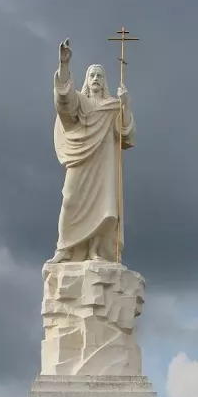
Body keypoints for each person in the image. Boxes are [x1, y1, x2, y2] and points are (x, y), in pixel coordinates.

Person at [50, 38, 135, 264]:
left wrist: (125, 105)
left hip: (104, 161)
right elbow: (64, 104)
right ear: (87, 80)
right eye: (92, 75)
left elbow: (126, 134)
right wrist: (64, 66)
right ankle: (66, 247)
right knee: (70, 199)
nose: (96, 79)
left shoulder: (112, 105)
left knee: (103, 206)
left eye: (100, 75)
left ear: (105, 81)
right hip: (81, 158)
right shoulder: (80, 101)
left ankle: (95, 251)